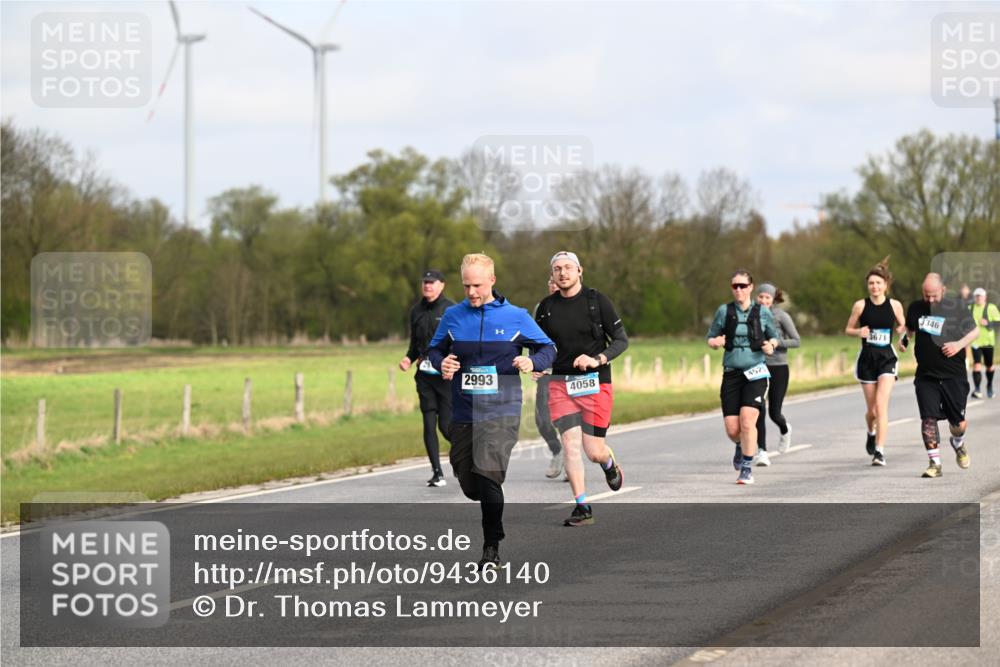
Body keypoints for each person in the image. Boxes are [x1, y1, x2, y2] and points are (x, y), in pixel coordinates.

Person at [426, 253, 555, 569]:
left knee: (487, 476)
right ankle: (486, 512)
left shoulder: (516, 316)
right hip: (464, 409)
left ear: (492, 281)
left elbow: (547, 348)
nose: (471, 292)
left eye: (478, 286)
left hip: (501, 409)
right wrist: (442, 361)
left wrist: (532, 362)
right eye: (467, 285)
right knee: (469, 482)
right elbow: (434, 348)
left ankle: (491, 547)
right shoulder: (453, 316)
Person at [534, 251, 627, 526]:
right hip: (561, 385)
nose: (563, 273)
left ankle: (608, 463)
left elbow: (621, 341)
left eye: (568, 268)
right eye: (557, 269)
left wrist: (597, 359)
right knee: (570, 445)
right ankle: (582, 506)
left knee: (593, 450)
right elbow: (540, 344)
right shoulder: (545, 308)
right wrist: (539, 364)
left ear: (579, 271)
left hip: (595, 383)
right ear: (552, 275)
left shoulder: (597, 302)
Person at [900, 273, 978, 478]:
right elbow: (908, 328)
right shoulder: (916, 307)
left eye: (934, 295)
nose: (930, 300)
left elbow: (974, 332)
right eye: (927, 295)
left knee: (958, 424)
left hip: (953, 375)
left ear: (943, 290)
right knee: (928, 418)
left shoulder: (957, 307)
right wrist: (904, 340)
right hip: (926, 374)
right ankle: (935, 463)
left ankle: (958, 442)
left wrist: (958, 345)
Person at [706, 270, 781, 485]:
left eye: (742, 285)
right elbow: (711, 337)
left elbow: (774, 337)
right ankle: (739, 444)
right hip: (731, 374)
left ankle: (747, 468)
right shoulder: (724, 311)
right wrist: (715, 342)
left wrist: (771, 345)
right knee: (733, 429)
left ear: (750, 287)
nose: (738, 289)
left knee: (748, 422)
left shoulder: (762, 312)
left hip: (756, 373)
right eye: (734, 286)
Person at [844, 257, 906, 466]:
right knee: (871, 411)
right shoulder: (860, 305)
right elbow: (848, 329)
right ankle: (871, 431)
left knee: (881, 406)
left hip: (887, 358)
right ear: (867, 285)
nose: (875, 286)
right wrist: (858, 332)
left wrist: (902, 337)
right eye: (871, 283)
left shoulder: (895, 305)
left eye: (878, 283)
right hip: (867, 359)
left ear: (885, 285)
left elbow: (904, 329)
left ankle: (879, 451)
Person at [399, 270, 455, 487]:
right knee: (428, 422)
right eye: (425, 282)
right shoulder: (416, 311)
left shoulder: (451, 309)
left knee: (446, 426)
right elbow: (415, 343)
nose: (428, 286)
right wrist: (408, 358)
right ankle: (437, 472)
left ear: (442, 285)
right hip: (424, 374)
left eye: (432, 283)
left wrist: (451, 363)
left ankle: (467, 455)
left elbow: (458, 340)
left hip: (445, 375)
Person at [753, 283, 800, 464]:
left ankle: (784, 429)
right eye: (761, 297)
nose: (764, 300)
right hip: (757, 366)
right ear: (756, 297)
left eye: (767, 297)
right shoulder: (752, 315)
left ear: (773, 299)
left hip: (778, 367)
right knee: (758, 409)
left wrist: (775, 343)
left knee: (774, 412)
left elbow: (796, 341)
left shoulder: (781, 316)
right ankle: (762, 451)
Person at [532, 277, 565, 479]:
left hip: (567, 372)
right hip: (545, 372)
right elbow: (533, 338)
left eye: (556, 282)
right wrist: (534, 362)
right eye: (550, 282)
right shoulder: (541, 308)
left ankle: (572, 460)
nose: (553, 285)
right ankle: (557, 451)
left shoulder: (575, 307)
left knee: (567, 419)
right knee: (541, 419)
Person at [969, 287, 1000, 399]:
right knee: (977, 364)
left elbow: (998, 323)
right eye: (977, 296)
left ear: (985, 297)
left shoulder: (991, 308)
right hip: (975, 342)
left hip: (988, 342)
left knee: (989, 366)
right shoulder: (970, 308)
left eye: (980, 296)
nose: (979, 298)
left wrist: (988, 323)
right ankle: (977, 389)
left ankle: (990, 386)